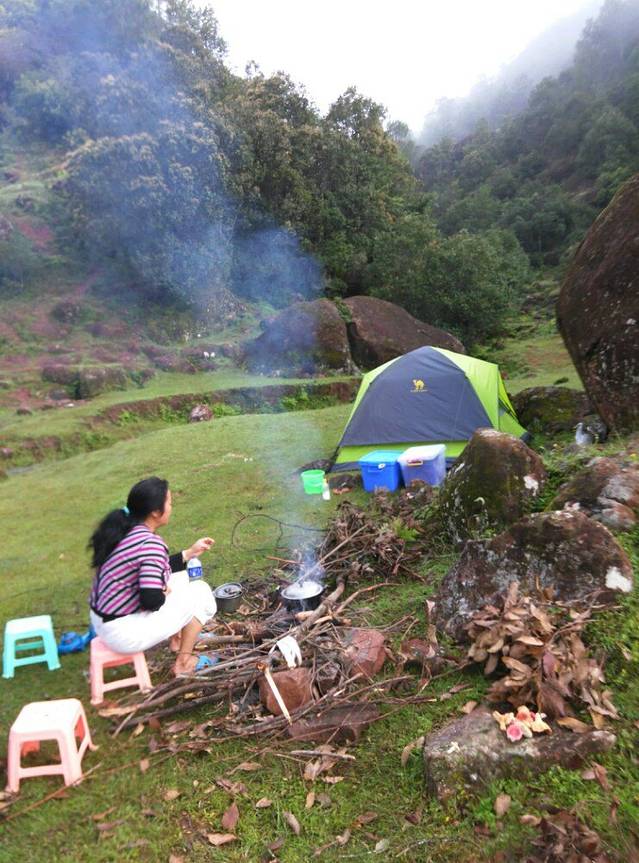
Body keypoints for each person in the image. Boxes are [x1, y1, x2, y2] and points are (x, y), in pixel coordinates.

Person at [89, 476, 217, 676]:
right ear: (156, 512)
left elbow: (156, 567)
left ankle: (178, 641)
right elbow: (151, 601)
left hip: (104, 621)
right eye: (169, 503)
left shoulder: (127, 531)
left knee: (182, 578)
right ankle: (184, 662)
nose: (171, 507)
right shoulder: (150, 544)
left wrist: (189, 553)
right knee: (200, 592)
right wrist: (162, 592)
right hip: (122, 633)